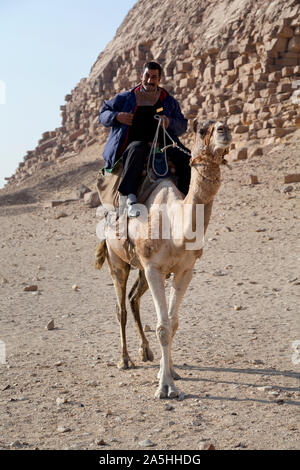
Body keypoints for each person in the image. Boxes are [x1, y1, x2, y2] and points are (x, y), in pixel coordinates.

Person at [99, 61, 191, 217]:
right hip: (132, 142)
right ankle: (129, 197)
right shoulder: (126, 98)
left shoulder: (168, 101)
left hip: (162, 143)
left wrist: (169, 122)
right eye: (147, 76)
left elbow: (182, 125)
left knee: (187, 157)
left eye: (154, 77)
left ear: (159, 79)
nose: (150, 80)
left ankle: (186, 197)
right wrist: (117, 116)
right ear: (141, 76)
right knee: (137, 149)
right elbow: (103, 114)